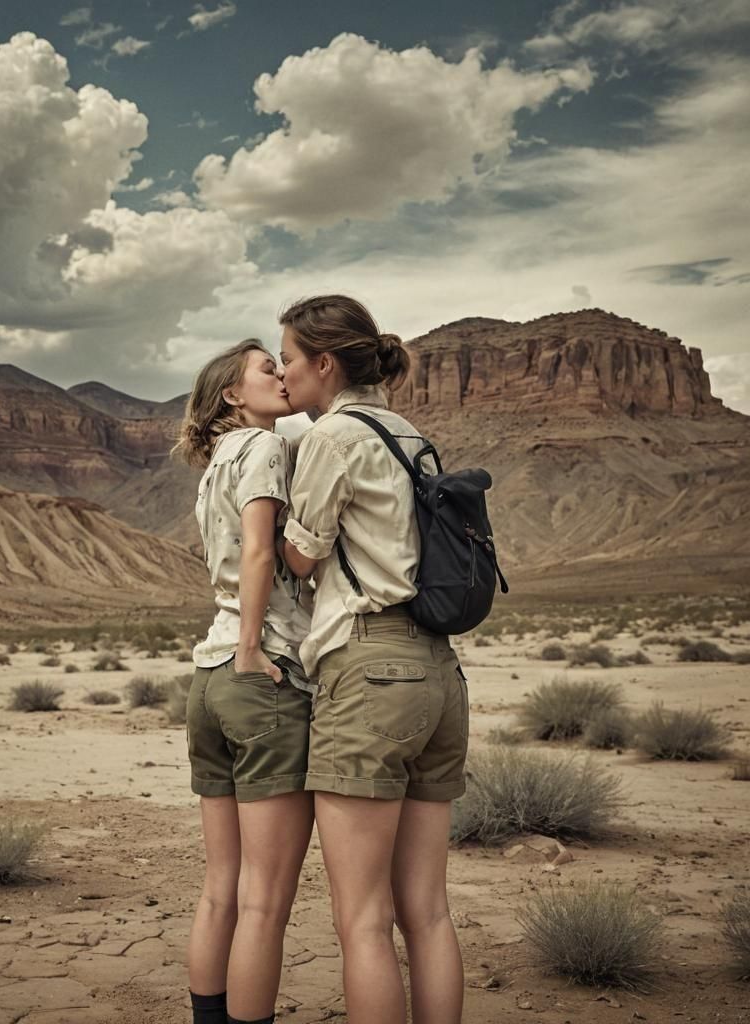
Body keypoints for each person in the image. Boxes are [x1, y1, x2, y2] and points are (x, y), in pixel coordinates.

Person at [276, 295, 468, 1024]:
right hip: (440, 675)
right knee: (428, 913)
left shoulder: (332, 438)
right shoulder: (407, 433)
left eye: (289, 358)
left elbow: (301, 553)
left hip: (369, 669)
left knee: (362, 919)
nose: (286, 374)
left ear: (325, 363)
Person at [172, 338, 316, 1024]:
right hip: (259, 675)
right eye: (268, 368)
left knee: (221, 888)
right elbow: (260, 550)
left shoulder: (213, 466)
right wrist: (257, 647)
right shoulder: (263, 449)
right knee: (265, 901)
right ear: (234, 394)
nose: (282, 376)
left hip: (209, 679)